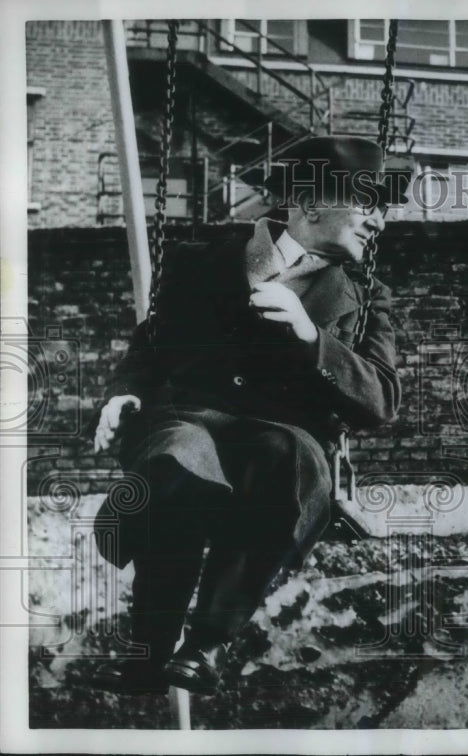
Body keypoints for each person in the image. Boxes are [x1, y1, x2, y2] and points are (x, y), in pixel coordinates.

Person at [90, 136, 405, 694]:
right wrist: (123, 393)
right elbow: (150, 344)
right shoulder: (205, 261)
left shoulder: (365, 294)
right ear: (312, 204)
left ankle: (205, 643)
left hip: (283, 441)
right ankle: (149, 647)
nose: (378, 220)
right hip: (192, 419)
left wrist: (311, 336)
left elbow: (380, 400)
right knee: (178, 459)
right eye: (368, 204)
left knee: (285, 458)